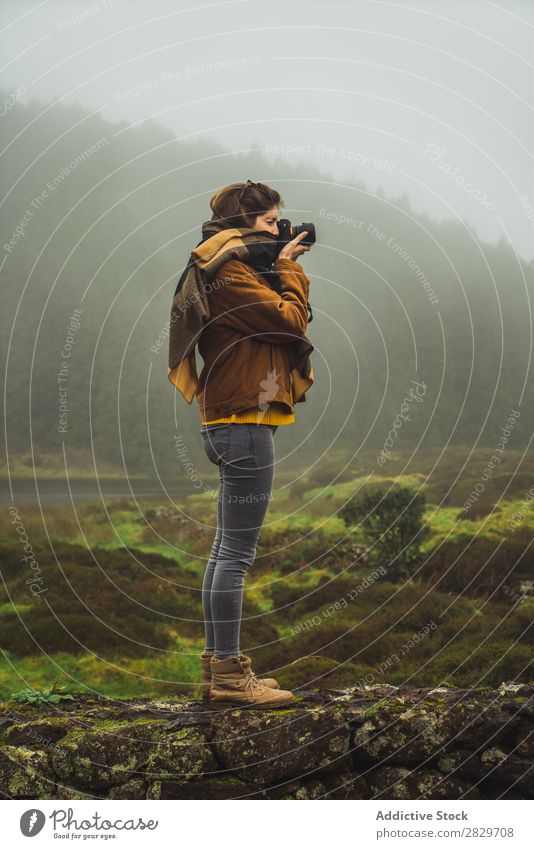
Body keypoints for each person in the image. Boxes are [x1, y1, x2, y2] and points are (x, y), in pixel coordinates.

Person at [197, 180, 313, 708]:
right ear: (246, 223)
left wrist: (278, 262)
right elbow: (289, 321)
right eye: (270, 222)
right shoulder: (229, 271)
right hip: (241, 424)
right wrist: (290, 268)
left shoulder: (231, 265)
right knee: (236, 556)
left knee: (226, 552)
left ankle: (222, 669)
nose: (278, 230)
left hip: (236, 422)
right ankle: (227, 677)